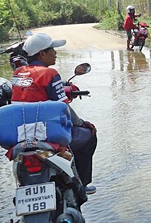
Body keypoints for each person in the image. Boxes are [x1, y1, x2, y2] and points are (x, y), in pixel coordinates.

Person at [11, 32, 98, 195]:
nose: (55, 52)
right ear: (42, 54)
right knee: (88, 135)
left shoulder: (19, 73)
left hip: (22, 134)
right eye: (52, 49)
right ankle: (82, 185)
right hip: (47, 133)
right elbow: (63, 108)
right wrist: (82, 123)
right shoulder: (50, 74)